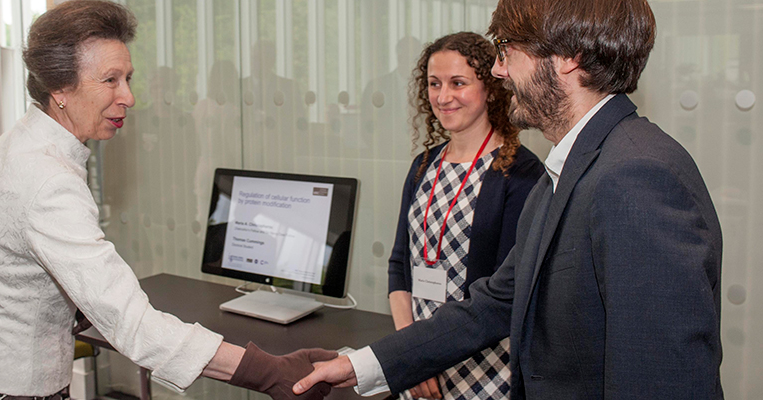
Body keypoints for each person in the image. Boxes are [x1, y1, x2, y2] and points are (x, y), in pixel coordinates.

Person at [293, 0, 724, 398]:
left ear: (568, 55)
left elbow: (662, 378)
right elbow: (494, 303)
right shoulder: (570, 169)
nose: (499, 71)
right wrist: (361, 365)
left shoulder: (636, 174)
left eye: (506, 49)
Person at [0, 2, 334, 399]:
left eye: (128, 79)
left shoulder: (19, 142)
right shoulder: (47, 180)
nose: (128, 97)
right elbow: (131, 324)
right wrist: (269, 372)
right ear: (60, 88)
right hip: (1, 385)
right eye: (110, 80)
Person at [387, 32, 543, 400]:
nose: (443, 97)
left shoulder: (521, 174)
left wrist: (425, 355)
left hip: (486, 366)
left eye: (458, 83)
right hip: (418, 358)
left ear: (490, 88)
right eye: (434, 84)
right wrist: (409, 353)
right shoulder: (423, 165)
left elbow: (505, 297)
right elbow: (400, 266)